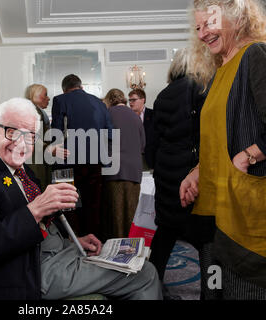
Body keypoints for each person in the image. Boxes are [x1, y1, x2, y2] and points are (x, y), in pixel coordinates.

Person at [0, 97, 162, 300]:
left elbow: (44, 230)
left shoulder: (23, 171)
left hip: (59, 255)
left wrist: (74, 242)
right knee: (145, 273)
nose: (21, 143)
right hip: (32, 272)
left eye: (29, 136)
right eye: (11, 132)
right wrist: (35, 209)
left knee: (138, 263)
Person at [180, 0, 266, 300]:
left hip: (246, 221)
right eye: (198, 27)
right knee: (214, 292)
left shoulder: (255, 55)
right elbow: (219, 140)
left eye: (210, 23)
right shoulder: (220, 70)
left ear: (237, 17)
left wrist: (251, 154)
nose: (203, 33)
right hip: (216, 215)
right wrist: (197, 171)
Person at [146, 48, 216, 299]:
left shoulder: (163, 96)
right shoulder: (205, 90)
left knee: (164, 238)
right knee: (209, 245)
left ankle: (149, 289)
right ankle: (212, 293)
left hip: (167, 179)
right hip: (195, 180)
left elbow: (152, 147)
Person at [51, 74, 113, 238]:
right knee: (93, 205)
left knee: (68, 204)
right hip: (95, 161)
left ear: (64, 90)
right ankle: (94, 241)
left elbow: (55, 134)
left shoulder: (60, 100)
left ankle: (74, 241)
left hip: (68, 161)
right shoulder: (99, 102)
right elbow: (110, 133)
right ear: (81, 86)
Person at [101, 88, 145, 239]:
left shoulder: (106, 115)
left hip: (113, 171)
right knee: (131, 213)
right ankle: (132, 246)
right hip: (133, 171)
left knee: (115, 215)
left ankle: (115, 249)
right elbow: (142, 145)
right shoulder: (135, 117)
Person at [25, 84, 69, 191]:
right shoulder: (33, 112)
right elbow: (33, 137)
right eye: (45, 95)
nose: (48, 98)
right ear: (36, 96)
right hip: (35, 162)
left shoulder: (36, 111)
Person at [128, 88, 155, 169]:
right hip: (132, 157)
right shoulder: (127, 116)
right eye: (129, 100)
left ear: (143, 100)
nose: (130, 103)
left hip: (150, 157)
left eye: (133, 100)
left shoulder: (153, 114)